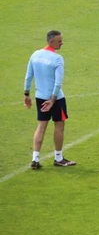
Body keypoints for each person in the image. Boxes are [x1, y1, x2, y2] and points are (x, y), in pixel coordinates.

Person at [24, 29, 74, 169]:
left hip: (40, 96)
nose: (62, 43)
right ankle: (58, 158)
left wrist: (26, 94)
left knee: (41, 126)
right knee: (59, 125)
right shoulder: (57, 59)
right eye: (59, 41)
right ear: (51, 41)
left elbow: (28, 76)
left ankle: (35, 159)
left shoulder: (35, 55)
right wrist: (52, 100)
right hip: (56, 99)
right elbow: (58, 82)